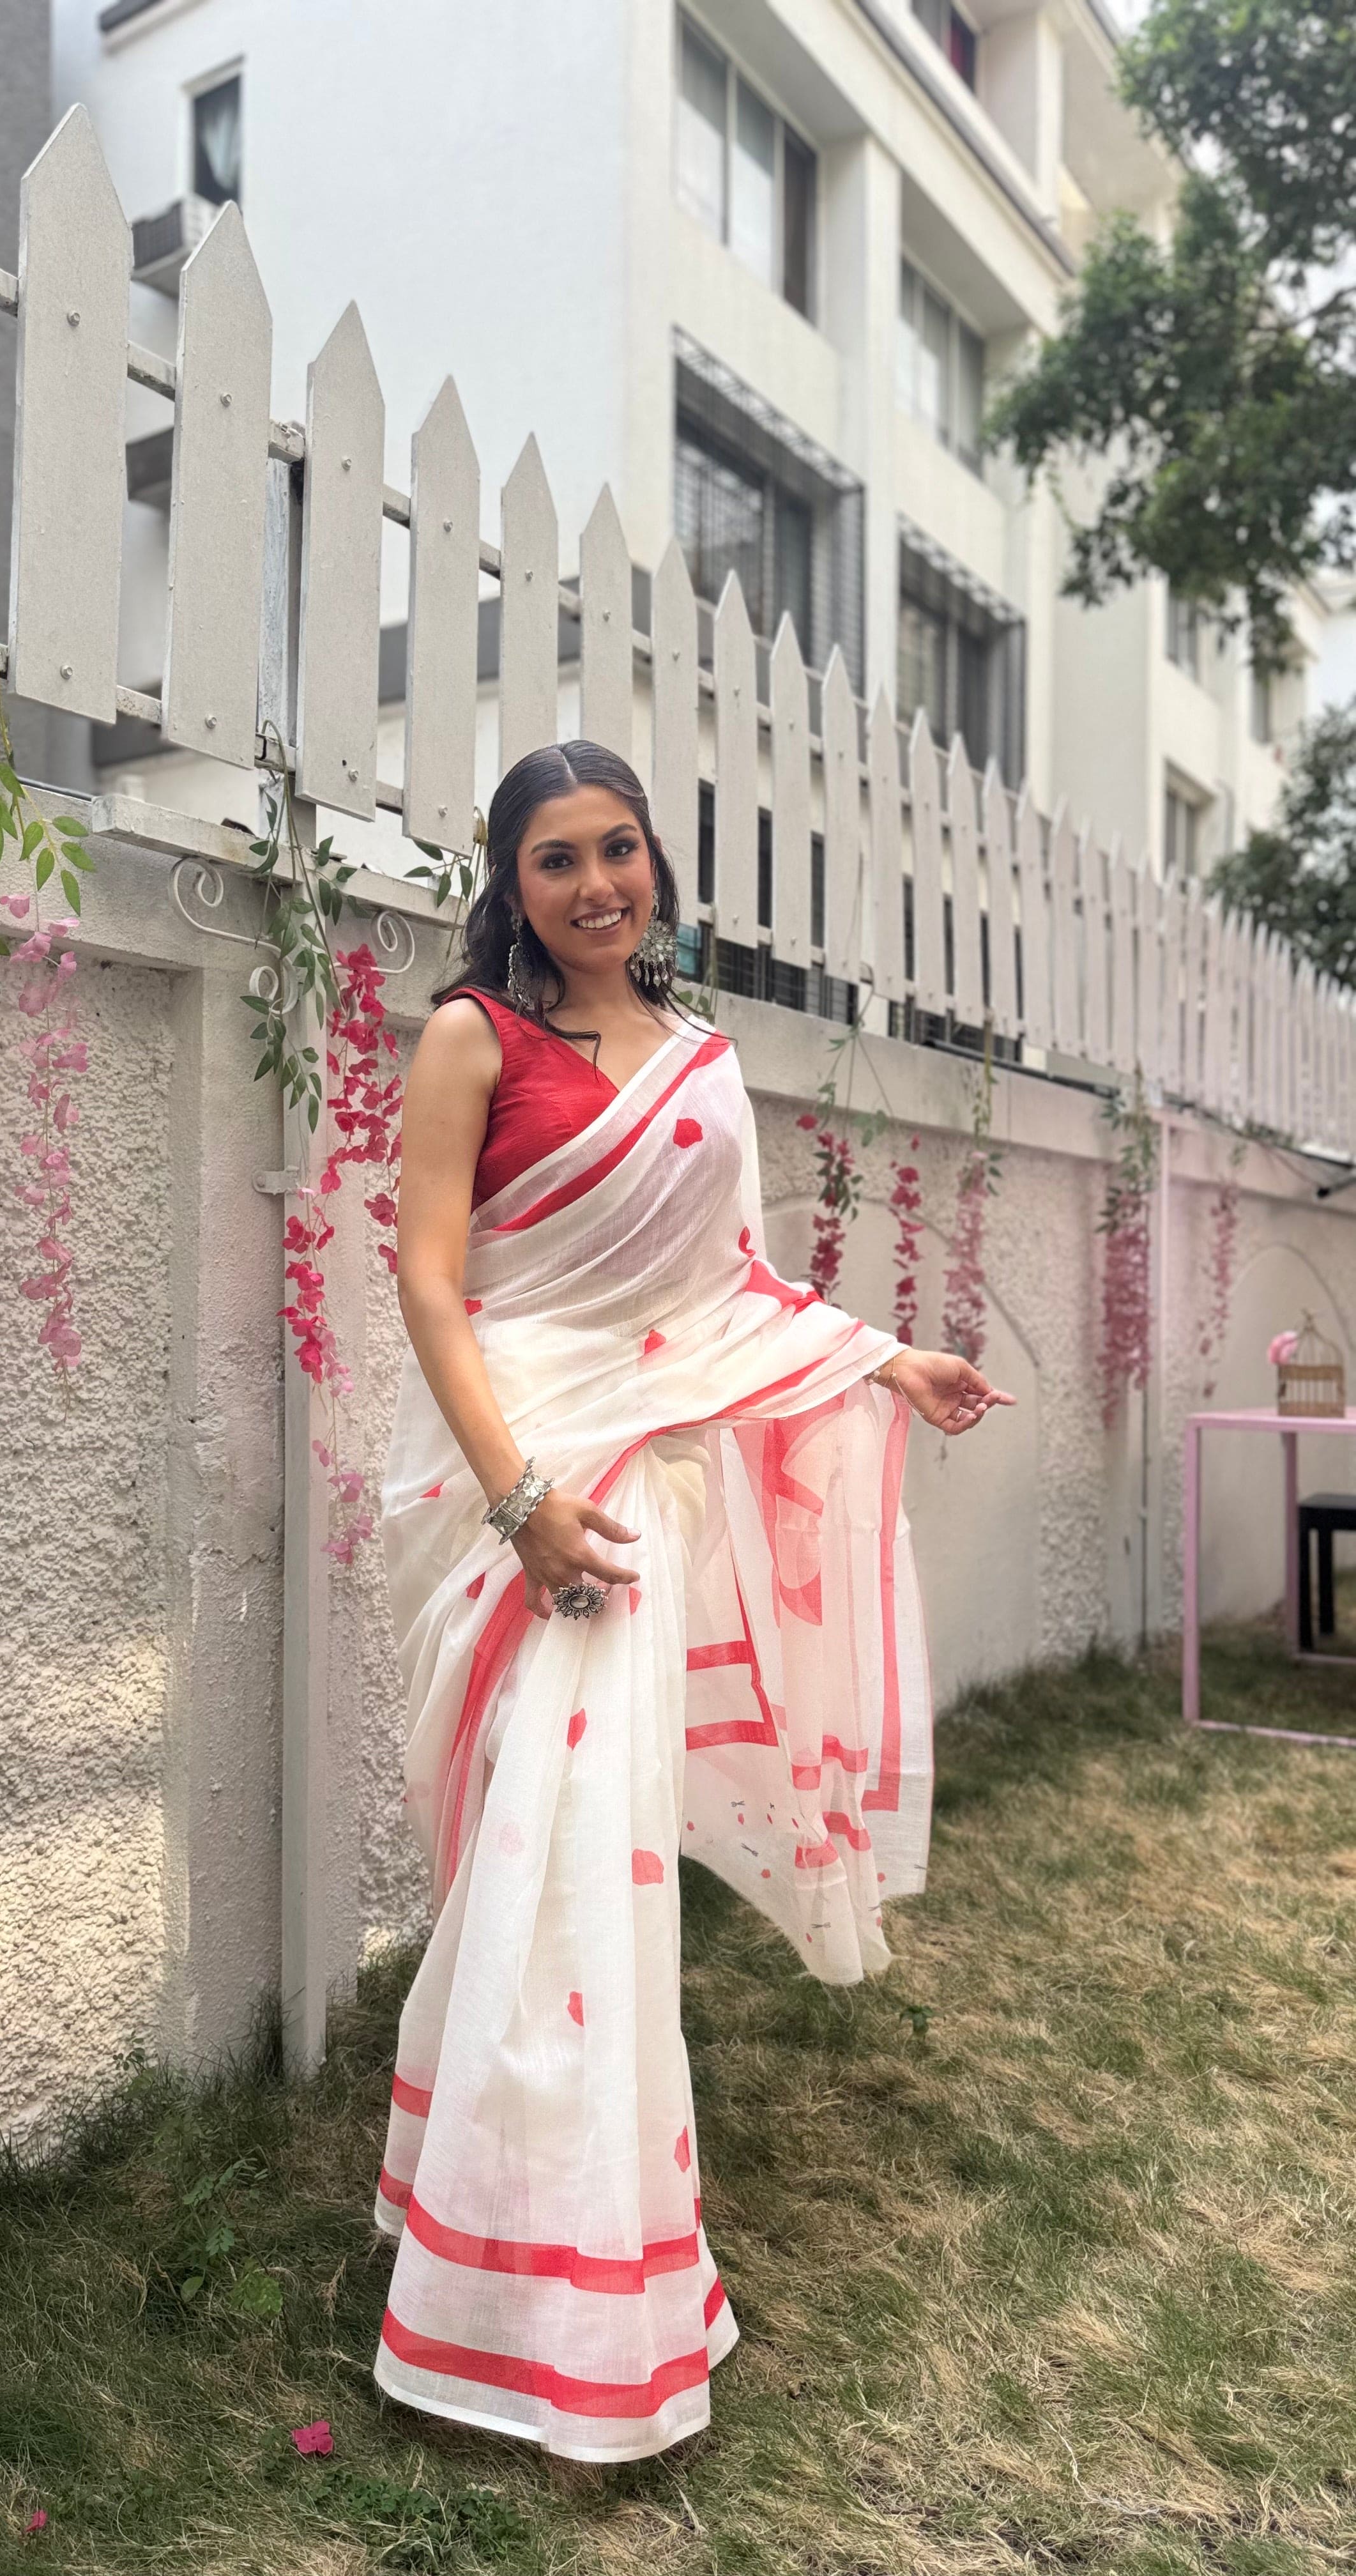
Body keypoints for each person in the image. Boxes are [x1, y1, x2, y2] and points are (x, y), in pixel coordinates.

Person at [372, 739, 1014, 2465]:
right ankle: (531, 2283)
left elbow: (725, 1292)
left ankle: (564, 2270)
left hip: (635, 1501)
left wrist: (887, 1358)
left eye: (620, 852)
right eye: (556, 861)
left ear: (658, 864)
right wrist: (520, 1505)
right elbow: (434, 1288)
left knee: (586, 1877)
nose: (596, 887)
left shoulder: (703, 1065)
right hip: (543, 1494)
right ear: (509, 886)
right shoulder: (471, 1042)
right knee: (545, 1863)